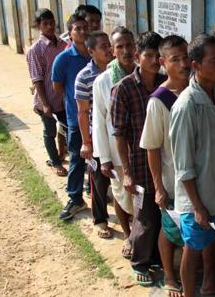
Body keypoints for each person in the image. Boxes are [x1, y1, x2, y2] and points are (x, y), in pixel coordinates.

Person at [170, 34, 215, 297]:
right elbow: (183, 165)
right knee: (192, 249)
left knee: (212, 240)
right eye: (214, 61)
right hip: (196, 199)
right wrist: (197, 206)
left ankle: (208, 283)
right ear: (196, 65)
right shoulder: (186, 106)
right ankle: (188, 293)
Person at [111, 31, 166, 285]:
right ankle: (139, 262)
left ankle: (155, 256)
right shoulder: (123, 89)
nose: (155, 60)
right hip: (140, 164)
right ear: (137, 56)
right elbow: (120, 135)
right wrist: (127, 173)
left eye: (158, 55)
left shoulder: (166, 84)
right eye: (149, 55)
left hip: (165, 163)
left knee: (163, 213)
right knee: (145, 216)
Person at [139, 35, 190, 297]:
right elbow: (152, 147)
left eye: (186, 57)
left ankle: (192, 273)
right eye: (175, 59)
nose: (183, 64)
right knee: (169, 230)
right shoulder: (158, 101)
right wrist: (159, 186)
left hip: (196, 179)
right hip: (172, 181)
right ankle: (170, 276)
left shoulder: (197, 90)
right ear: (162, 62)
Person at [92, 26, 136, 258]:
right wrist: (104, 158)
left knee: (141, 197)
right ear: (112, 50)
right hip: (116, 150)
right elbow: (99, 121)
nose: (126, 50)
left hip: (139, 148)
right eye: (120, 46)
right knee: (120, 194)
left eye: (129, 45)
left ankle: (140, 234)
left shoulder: (143, 74)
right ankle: (128, 234)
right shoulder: (103, 81)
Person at [51, 13, 91, 220]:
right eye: (78, 28)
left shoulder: (97, 53)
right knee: (77, 157)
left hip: (99, 119)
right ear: (70, 32)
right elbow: (58, 87)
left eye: (85, 27)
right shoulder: (63, 59)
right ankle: (75, 198)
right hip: (77, 118)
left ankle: (95, 191)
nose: (83, 32)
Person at [75, 31, 114, 239]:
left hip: (116, 136)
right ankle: (100, 220)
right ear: (91, 51)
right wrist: (86, 142)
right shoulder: (84, 77)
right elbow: (82, 112)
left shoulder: (118, 71)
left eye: (109, 45)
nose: (109, 49)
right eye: (103, 47)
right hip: (97, 136)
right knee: (99, 181)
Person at [26, 8, 68, 177]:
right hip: (47, 99)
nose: (50, 27)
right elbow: (37, 79)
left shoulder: (63, 45)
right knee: (49, 131)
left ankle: (62, 152)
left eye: (52, 23)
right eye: (45, 24)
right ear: (38, 26)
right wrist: (45, 104)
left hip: (63, 99)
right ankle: (56, 163)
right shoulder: (35, 50)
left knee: (66, 128)